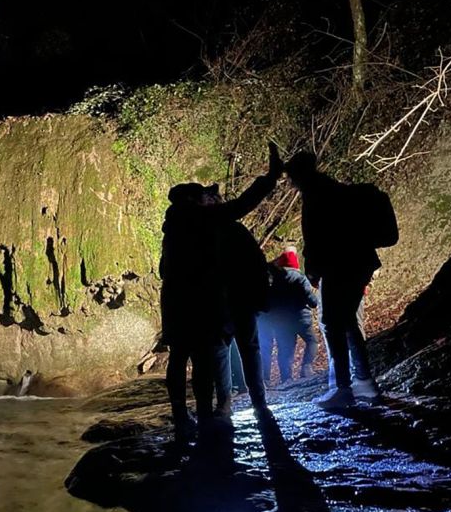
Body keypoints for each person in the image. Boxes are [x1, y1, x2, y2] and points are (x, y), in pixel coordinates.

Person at [161, 142, 281, 442]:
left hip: (176, 302)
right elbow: (242, 205)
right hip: (204, 303)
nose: (208, 199)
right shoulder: (200, 219)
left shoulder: (173, 225)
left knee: (182, 357)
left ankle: (186, 415)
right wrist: (269, 179)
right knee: (208, 356)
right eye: (203, 195)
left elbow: (165, 270)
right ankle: (217, 413)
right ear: (193, 199)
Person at [285, 152, 395, 408]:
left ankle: (344, 388)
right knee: (346, 323)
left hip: (339, 265)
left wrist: (312, 270)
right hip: (358, 262)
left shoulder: (316, 194)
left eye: (290, 176)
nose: (290, 181)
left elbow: (316, 237)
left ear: (298, 175)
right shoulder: (333, 188)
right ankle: (364, 383)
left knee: (333, 323)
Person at [258, 247, 319, 383]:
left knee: (285, 349)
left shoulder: (274, 280)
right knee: (312, 341)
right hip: (301, 317)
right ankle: (306, 368)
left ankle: (286, 378)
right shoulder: (300, 278)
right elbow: (312, 300)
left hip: (282, 321)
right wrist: (314, 302)